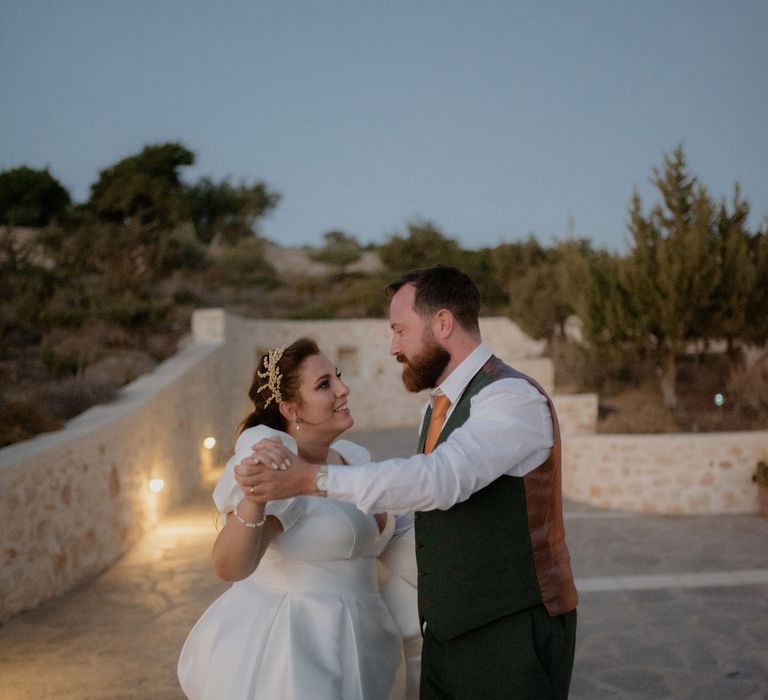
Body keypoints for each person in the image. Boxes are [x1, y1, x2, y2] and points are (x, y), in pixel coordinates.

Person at [239, 266, 579, 699]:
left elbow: (441, 480)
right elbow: (432, 511)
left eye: (400, 330)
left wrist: (313, 480)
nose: (393, 347)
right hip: (446, 634)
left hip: (511, 630)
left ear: (442, 323)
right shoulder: (437, 408)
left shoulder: (510, 398)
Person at [177, 337, 418, 700]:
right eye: (325, 385)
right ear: (291, 410)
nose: (343, 388)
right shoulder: (279, 470)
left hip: (362, 643)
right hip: (300, 655)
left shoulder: (352, 459)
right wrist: (255, 499)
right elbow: (229, 567)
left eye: (337, 376)